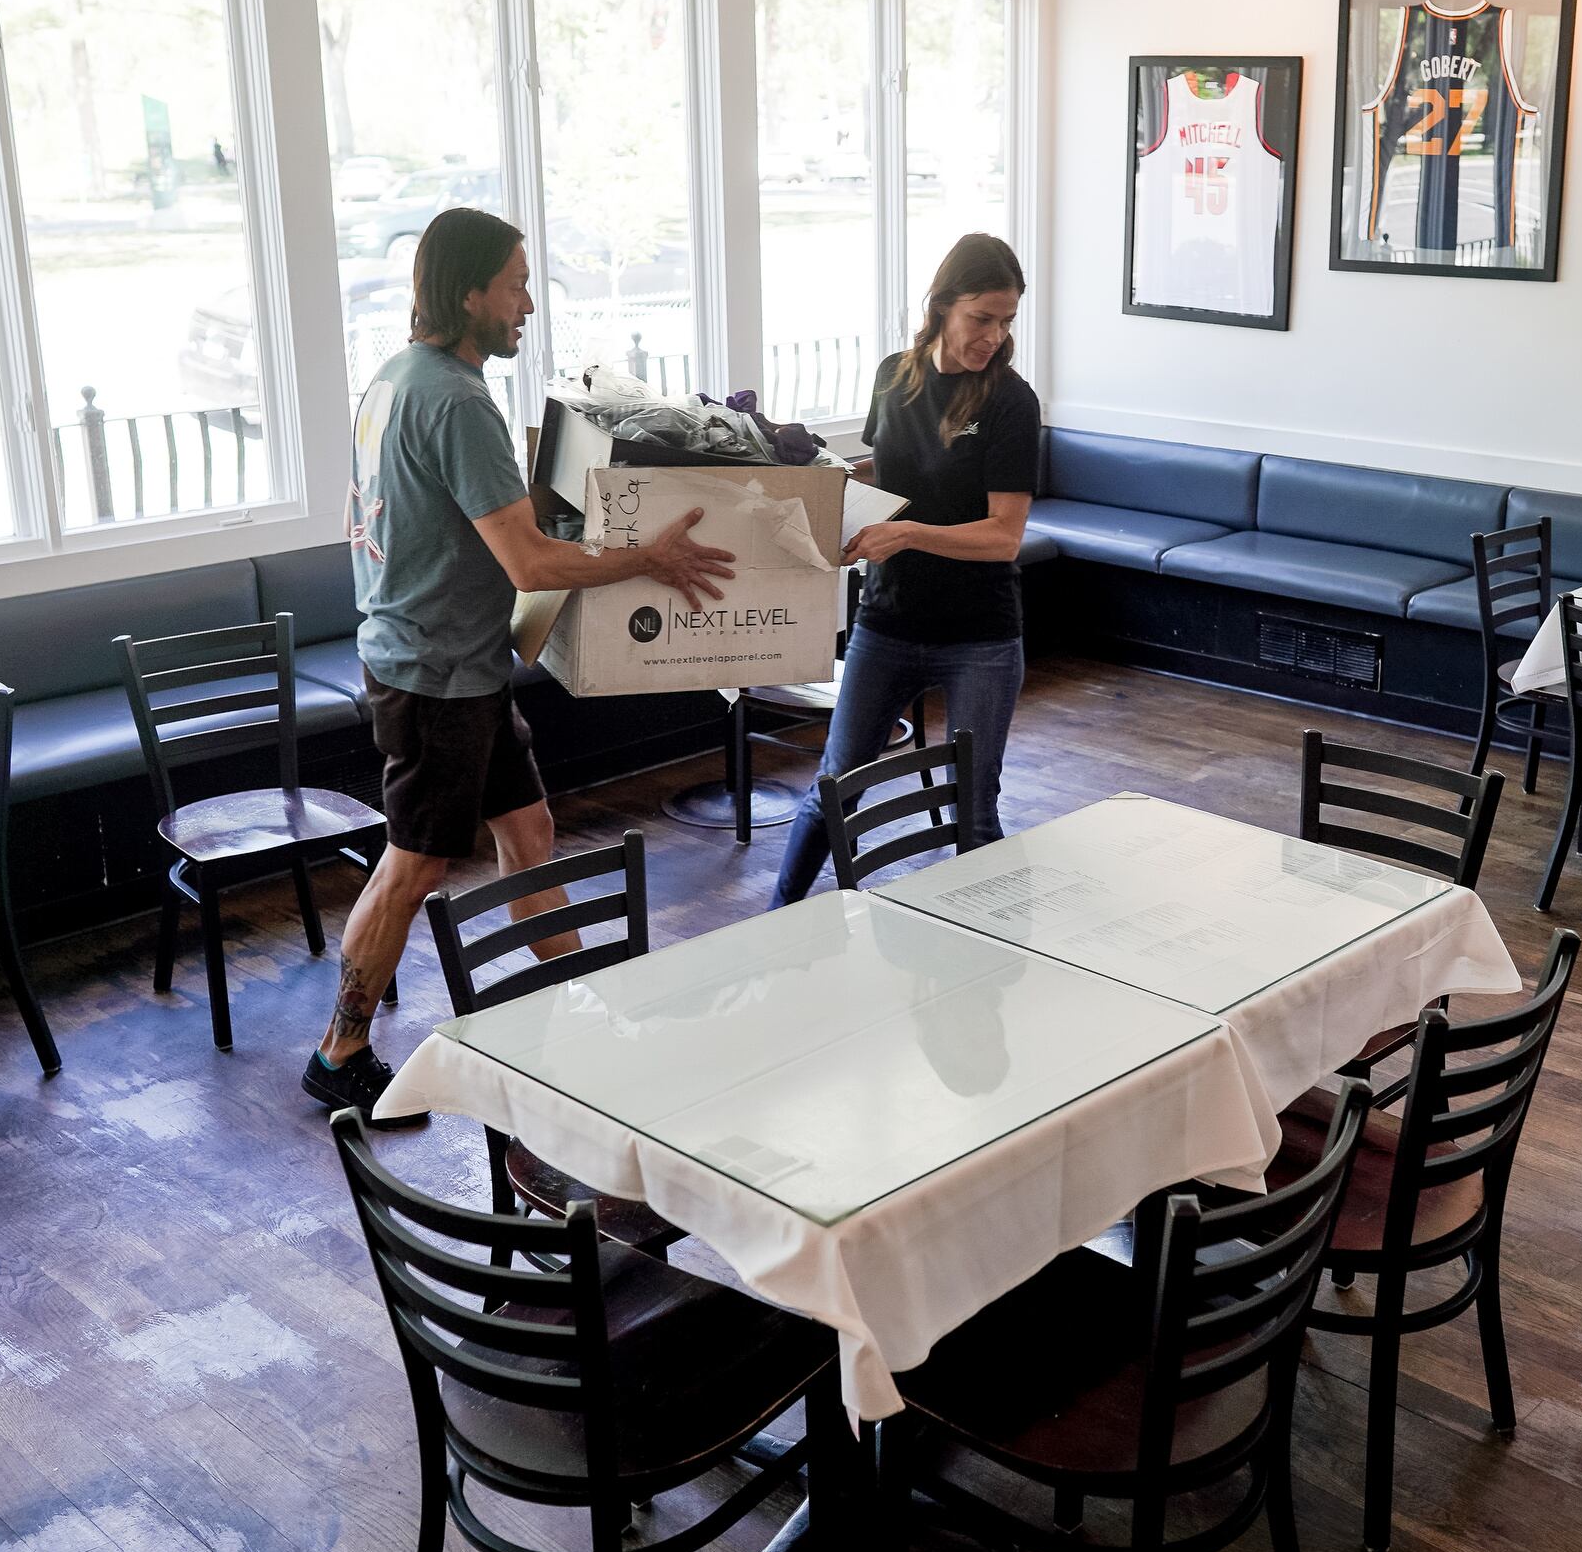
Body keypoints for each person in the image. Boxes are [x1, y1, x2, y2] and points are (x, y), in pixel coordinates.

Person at [308, 206, 735, 1121]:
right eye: (515, 285)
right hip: (434, 678)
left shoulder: (395, 377)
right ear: (469, 295)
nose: (528, 305)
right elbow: (533, 565)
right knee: (414, 865)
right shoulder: (458, 400)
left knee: (529, 828)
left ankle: (571, 1008)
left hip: (449, 662)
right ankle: (339, 1049)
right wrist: (649, 557)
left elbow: (475, 524)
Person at [774, 234, 1037, 904]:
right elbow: (886, 469)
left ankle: (991, 964)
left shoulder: (1010, 401)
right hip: (886, 623)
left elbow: (1004, 536)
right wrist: (817, 479)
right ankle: (774, 922)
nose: (994, 335)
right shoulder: (895, 374)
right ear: (943, 305)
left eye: (1007, 320)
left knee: (973, 812)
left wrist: (909, 533)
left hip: (980, 637)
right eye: (983, 317)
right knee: (834, 788)